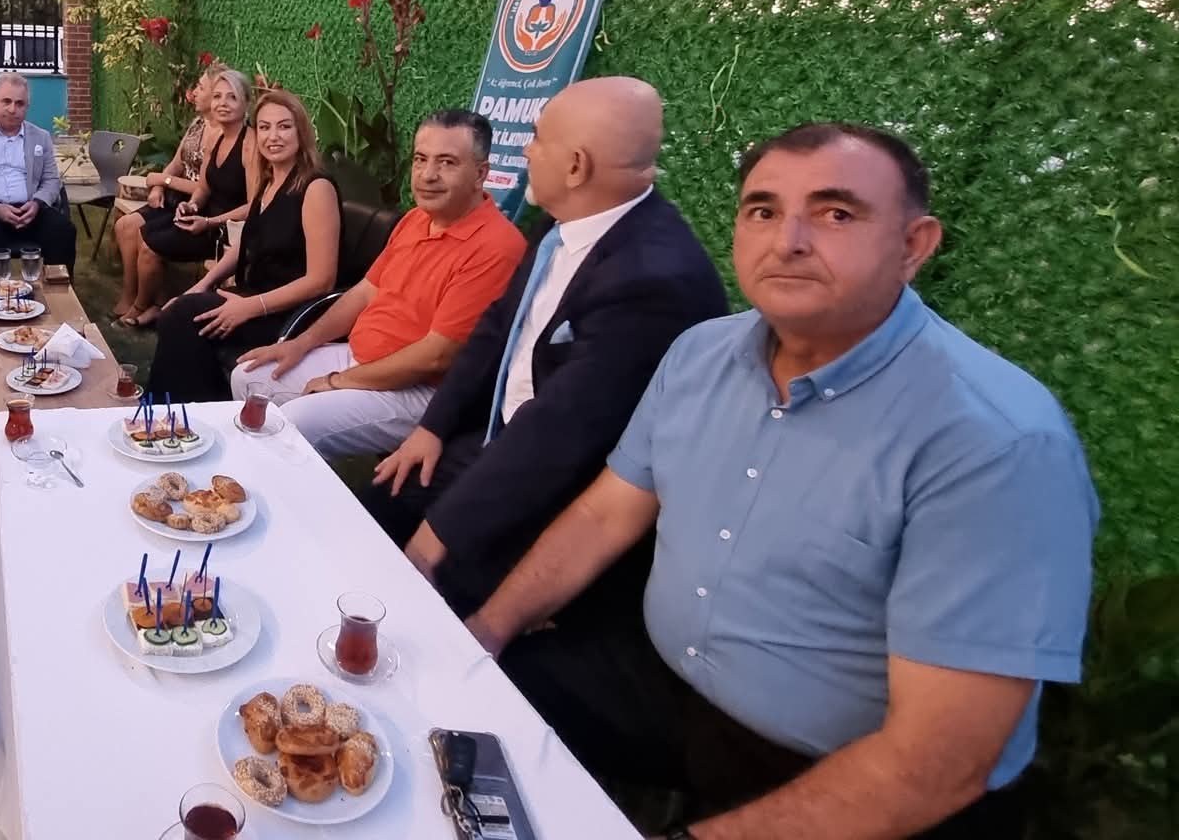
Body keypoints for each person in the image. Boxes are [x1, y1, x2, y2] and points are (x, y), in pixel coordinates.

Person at [475, 123, 1097, 839]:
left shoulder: (997, 445)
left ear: (913, 246)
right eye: (763, 210)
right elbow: (607, 512)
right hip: (668, 684)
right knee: (465, 711)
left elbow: (937, 763)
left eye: (836, 213)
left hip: (841, 766)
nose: (789, 241)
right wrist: (486, 633)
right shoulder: (699, 354)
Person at [366, 79, 729, 622]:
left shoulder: (652, 278)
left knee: (435, 598)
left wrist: (436, 536)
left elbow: (561, 429)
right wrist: (432, 428)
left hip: (561, 490)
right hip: (495, 440)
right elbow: (497, 327)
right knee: (375, 506)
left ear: (576, 166)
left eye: (536, 138)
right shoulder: (563, 221)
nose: (527, 151)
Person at [231, 110, 526, 459]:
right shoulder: (416, 219)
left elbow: (435, 357)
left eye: (447, 162)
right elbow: (364, 291)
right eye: (420, 159)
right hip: (359, 357)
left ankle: (294, 485)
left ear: (480, 174)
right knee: (248, 377)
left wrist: (336, 382)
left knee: (297, 421)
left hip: (420, 390)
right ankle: (275, 476)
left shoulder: (496, 246)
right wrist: (301, 343)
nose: (428, 175)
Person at [147, 90, 339, 403]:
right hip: (252, 297)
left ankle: (175, 413)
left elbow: (322, 280)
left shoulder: (316, 187)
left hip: (288, 313)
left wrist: (251, 307)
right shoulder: (270, 180)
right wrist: (201, 285)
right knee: (182, 311)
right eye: (264, 127)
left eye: (284, 126)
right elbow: (246, 242)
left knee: (181, 318)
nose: (273, 136)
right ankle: (188, 410)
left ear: (301, 132)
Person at [124, 64, 254, 327]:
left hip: (227, 231)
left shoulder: (250, 145)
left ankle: (141, 306)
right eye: (217, 96)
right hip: (204, 219)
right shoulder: (216, 140)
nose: (223, 103)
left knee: (150, 245)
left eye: (232, 97)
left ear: (246, 104)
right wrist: (191, 205)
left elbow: (254, 206)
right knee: (145, 232)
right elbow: (203, 188)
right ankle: (153, 305)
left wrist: (208, 222)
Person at [112, 68, 212, 320]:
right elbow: (176, 163)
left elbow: (206, 187)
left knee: (144, 236)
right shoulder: (198, 124)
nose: (194, 92)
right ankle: (131, 295)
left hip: (197, 206)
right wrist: (158, 187)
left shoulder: (222, 136)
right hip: (173, 198)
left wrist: (163, 180)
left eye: (201, 87)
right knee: (124, 226)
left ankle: (147, 302)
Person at [0, 72, 74, 266]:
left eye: (20, 104)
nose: (12, 109)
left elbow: (52, 180)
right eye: (6, 102)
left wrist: (37, 203)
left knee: (63, 230)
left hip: (31, 210)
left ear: (27, 106)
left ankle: (57, 284)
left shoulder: (41, 137)